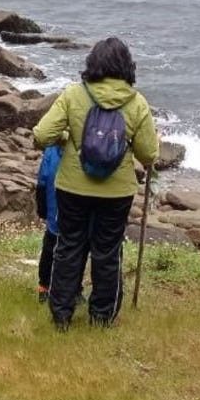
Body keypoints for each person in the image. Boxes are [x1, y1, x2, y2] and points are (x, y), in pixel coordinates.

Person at [33, 37, 159, 329]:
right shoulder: (137, 103)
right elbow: (149, 154)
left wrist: (68, 138)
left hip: (72, 187)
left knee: (69, 245)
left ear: (93, 63)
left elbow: (41, 135)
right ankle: (102, 317)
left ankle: (61, 313)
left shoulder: (74, 94)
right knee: (108, 250)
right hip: (117, 192)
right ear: (127, 67)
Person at [35, 144, 62, 303]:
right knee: (76, 249)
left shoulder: (53, 148)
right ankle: (74, 290)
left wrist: (42, 210)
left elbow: (42, 181)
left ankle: (44, 287)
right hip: (77, 204)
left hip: (54, 205)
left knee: (50, 246)